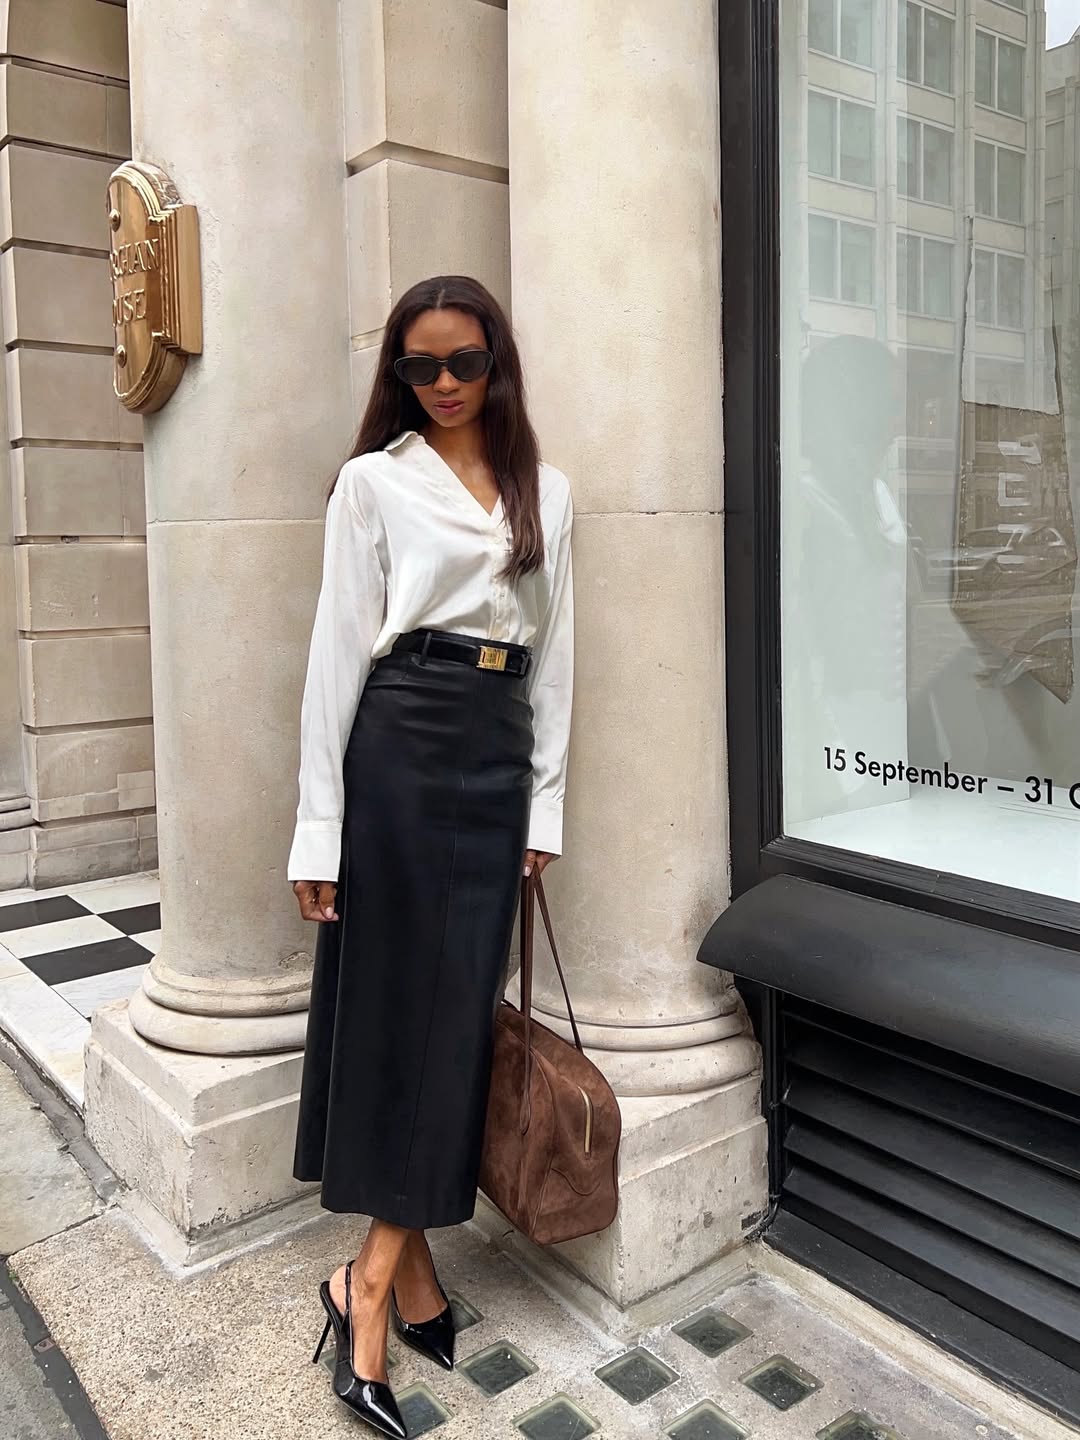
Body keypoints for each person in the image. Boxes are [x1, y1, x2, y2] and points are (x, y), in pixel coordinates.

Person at [288, 275, 574, 1437]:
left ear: (496, 363)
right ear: (399, 375)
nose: (444, 385)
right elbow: (332, 658)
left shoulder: (547, 492)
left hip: (497, 756)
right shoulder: (373, 484)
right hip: (400, 748)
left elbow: (559, 656)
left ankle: (400, 1277)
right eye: (421, 367)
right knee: (409, 1011)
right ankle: (372, 1289)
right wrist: (318, 825)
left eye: (463, 363)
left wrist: (545, 808)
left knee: (457, 1012)